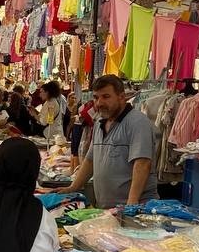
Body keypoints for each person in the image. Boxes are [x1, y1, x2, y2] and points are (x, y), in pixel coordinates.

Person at [60, 75, 158, 207]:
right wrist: (73, 187)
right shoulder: (99, 122)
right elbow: (90, 160)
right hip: (107, 209)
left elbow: (142, 163)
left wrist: (132, 202)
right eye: (96, 97)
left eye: (106, 97)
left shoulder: (138, 123)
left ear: (121, 97)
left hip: (135, 208)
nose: (99, 103)